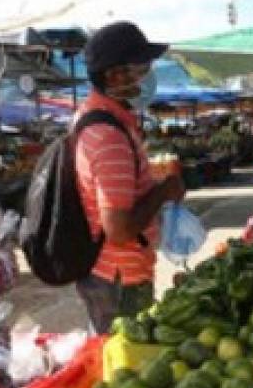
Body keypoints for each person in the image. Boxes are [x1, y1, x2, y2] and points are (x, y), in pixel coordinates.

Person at [74, 21, 186, 333]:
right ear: (114, 75)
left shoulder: (100, 120)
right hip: (119, 278)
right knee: (124, 366)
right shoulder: (108, 136)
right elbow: (119, 228)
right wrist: (164, 191)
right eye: (142, 67)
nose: (148, 75)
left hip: (110, 272)